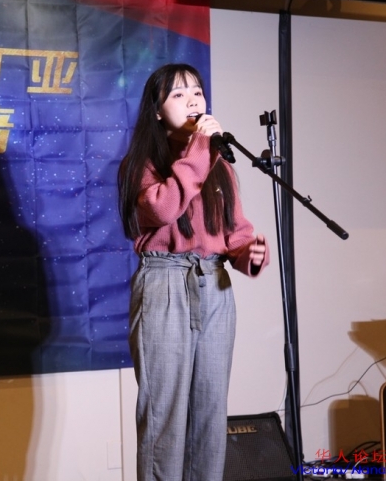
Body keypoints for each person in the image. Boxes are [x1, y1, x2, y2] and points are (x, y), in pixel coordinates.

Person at [117, 63, 269, 481]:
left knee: (210, 411)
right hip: (165, 281)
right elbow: (163, 209)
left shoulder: (219, 165)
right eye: (179, 94)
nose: (192, 101)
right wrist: (200, 150)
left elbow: (235, 234)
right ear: (157, 110)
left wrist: (250, 253)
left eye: (197, 92)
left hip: (215, 285)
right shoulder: (142, 163)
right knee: (164, 413)